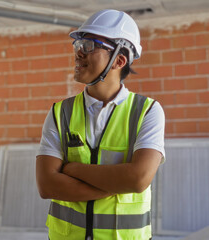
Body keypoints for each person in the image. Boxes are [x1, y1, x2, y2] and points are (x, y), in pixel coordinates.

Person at [36, 9, 165, 240]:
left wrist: (71, 169)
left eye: (88, 46)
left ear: (119, 60)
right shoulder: (60, 113)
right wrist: (117, 183)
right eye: (77, 46)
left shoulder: (147, 112)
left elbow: (137, 179)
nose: (78, 54)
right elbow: (47, 185)